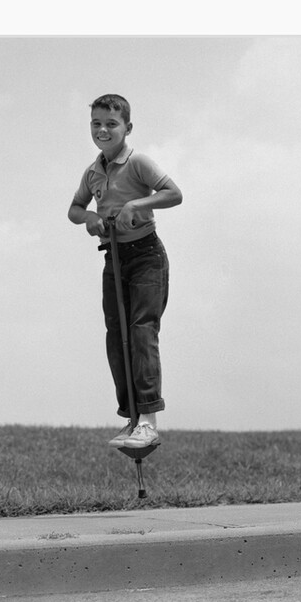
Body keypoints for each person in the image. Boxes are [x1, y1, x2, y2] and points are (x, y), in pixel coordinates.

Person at [68, 94, 183, 449]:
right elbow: (74, 209)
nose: (102, 130)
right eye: (96, 124)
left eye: (111, 124)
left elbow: (173, 194)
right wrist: (89, 217)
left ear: (127, 128)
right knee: (116, 337)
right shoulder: (93, 172)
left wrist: (136, 204)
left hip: (147, 256)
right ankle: (132, 418)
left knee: (141, 331)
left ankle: (148, 421)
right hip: (114, 259)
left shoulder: (138, 163)